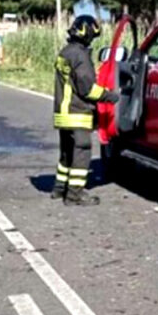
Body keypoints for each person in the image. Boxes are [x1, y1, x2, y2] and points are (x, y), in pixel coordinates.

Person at [52, 15, 119, 206]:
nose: (92, 40)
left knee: (67, 152)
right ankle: (75, 195)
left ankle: (59, 188)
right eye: (92, 36)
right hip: (77, 113)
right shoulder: (81, 56)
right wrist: (111, 96)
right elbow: (88, 89)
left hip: (62, 113)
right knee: (81, 152)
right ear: (87, 33)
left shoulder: (65, 52)